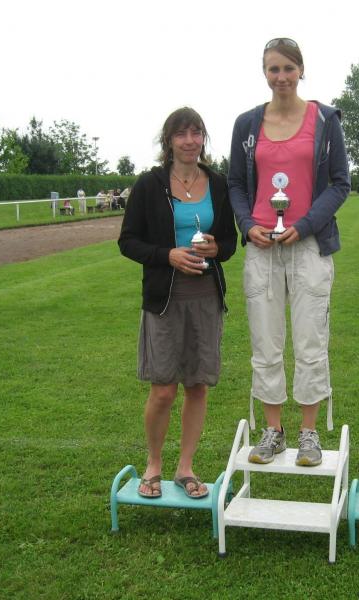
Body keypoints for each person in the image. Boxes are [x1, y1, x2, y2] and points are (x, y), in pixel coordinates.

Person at [228, 37, 350, 466]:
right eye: (273, 69)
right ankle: (274, 431)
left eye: (288, 68)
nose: (281, 77)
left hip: (309, 245)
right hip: (262, 247)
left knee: (311, 340)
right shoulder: (247, 124)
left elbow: (340, 183)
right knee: (266, 343)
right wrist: (248, 225)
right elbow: (236, 185)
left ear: (301, 70)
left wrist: (305, 224)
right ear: (265, 73)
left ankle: (309, 433)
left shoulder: (325, 120)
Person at [118, 107, 237, 499]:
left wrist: (217, 248)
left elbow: (230, 242)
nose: (190, 141)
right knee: (164, 389)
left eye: (196, 133)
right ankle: (153, 465)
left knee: (197, 386)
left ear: (204, 138)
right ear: (168, 140)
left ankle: (185, 467)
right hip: (164, 299)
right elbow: (128, 241)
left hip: (206, 298)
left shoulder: (217, 183)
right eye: (181, 134)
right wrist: (167, 255)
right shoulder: (149, 184)